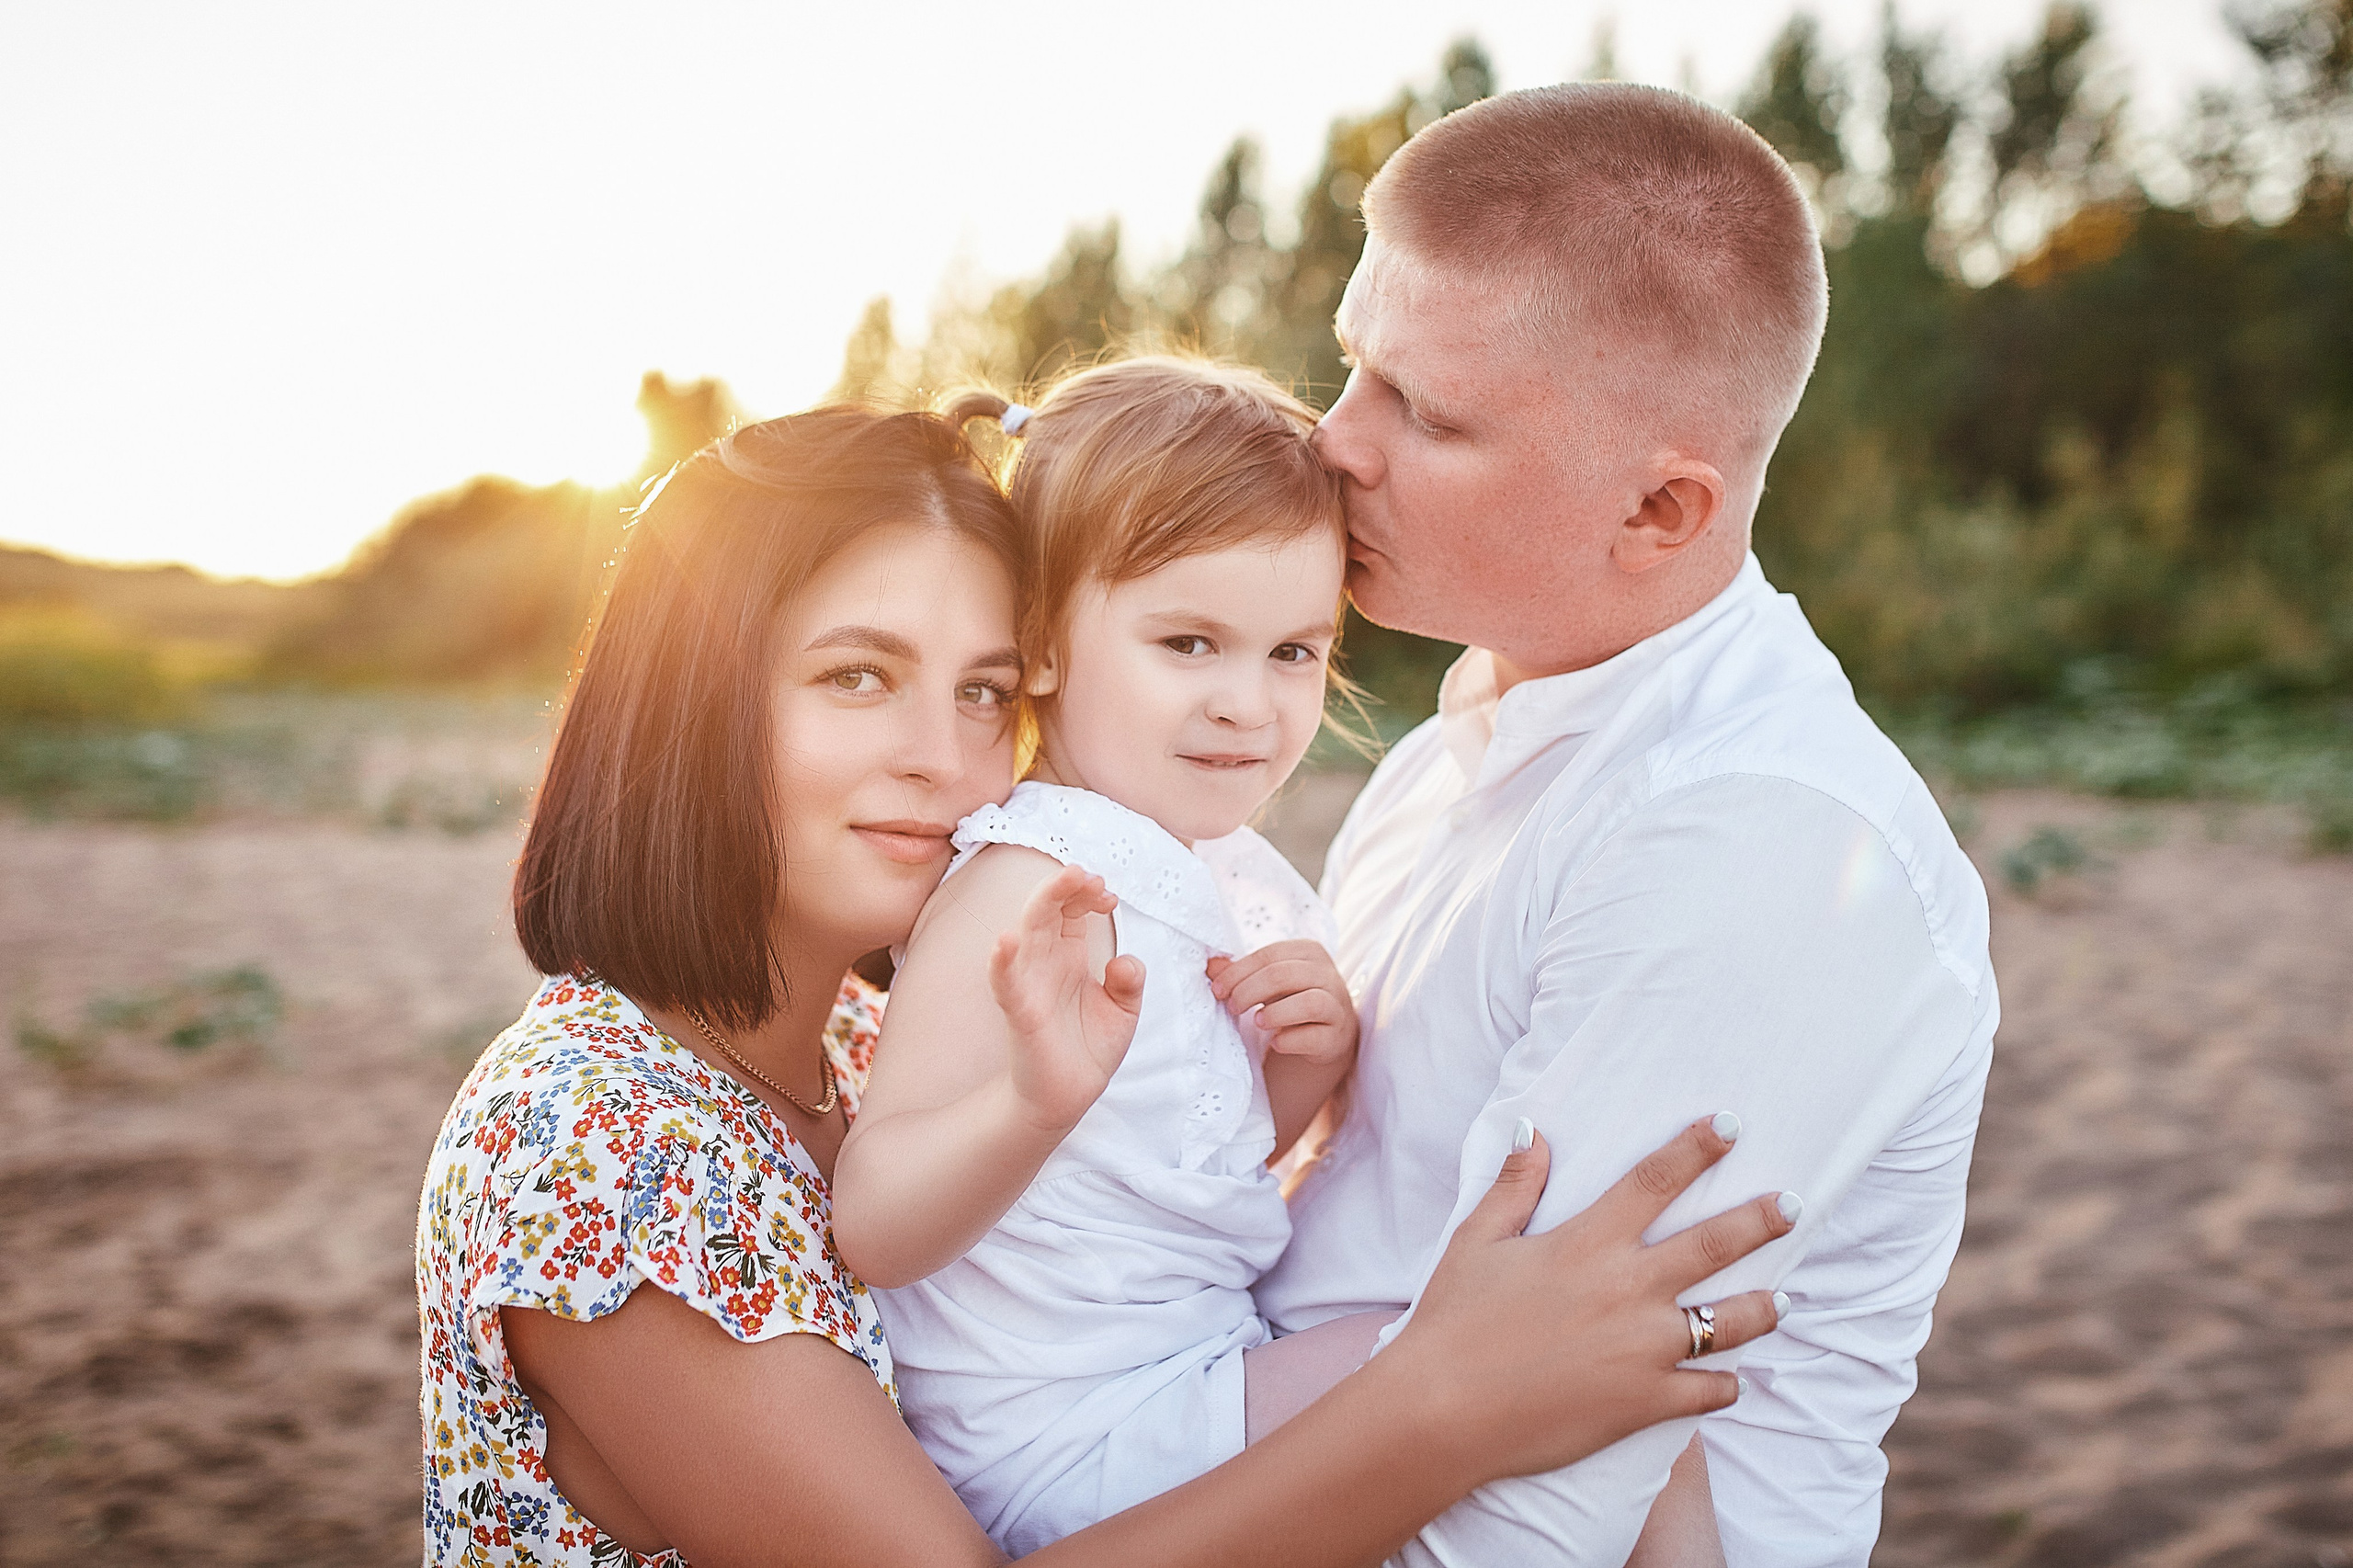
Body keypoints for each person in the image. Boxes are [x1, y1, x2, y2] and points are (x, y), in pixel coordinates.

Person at [414, 403, 1794, 1567]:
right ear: (692, 698)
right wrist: (1446, 1403)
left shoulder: (861, 1033)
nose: (943, 755)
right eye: (857, 676)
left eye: (981, 690)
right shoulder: (591, 1136)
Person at [1253, 82, 2001, 1568]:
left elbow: (1518, 1520)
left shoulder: (1757, 838)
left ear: (1660, 510)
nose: (1334, 443)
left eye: (1425, 411)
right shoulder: (1451, 755)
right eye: (1350, 367)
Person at [834, 359, 1752, 1556]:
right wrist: (1027, 1103)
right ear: (1042, 641)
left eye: (1293, 653)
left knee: (1592, 1382)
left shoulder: (1197, 864)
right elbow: (875, 1222)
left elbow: (1163, 1174)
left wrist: (1302, 1069)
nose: (1248, 704)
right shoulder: (1028, 885)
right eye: (1190, 642)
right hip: (1069, 1437)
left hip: (1179, 1378)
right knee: (1595, 1386)